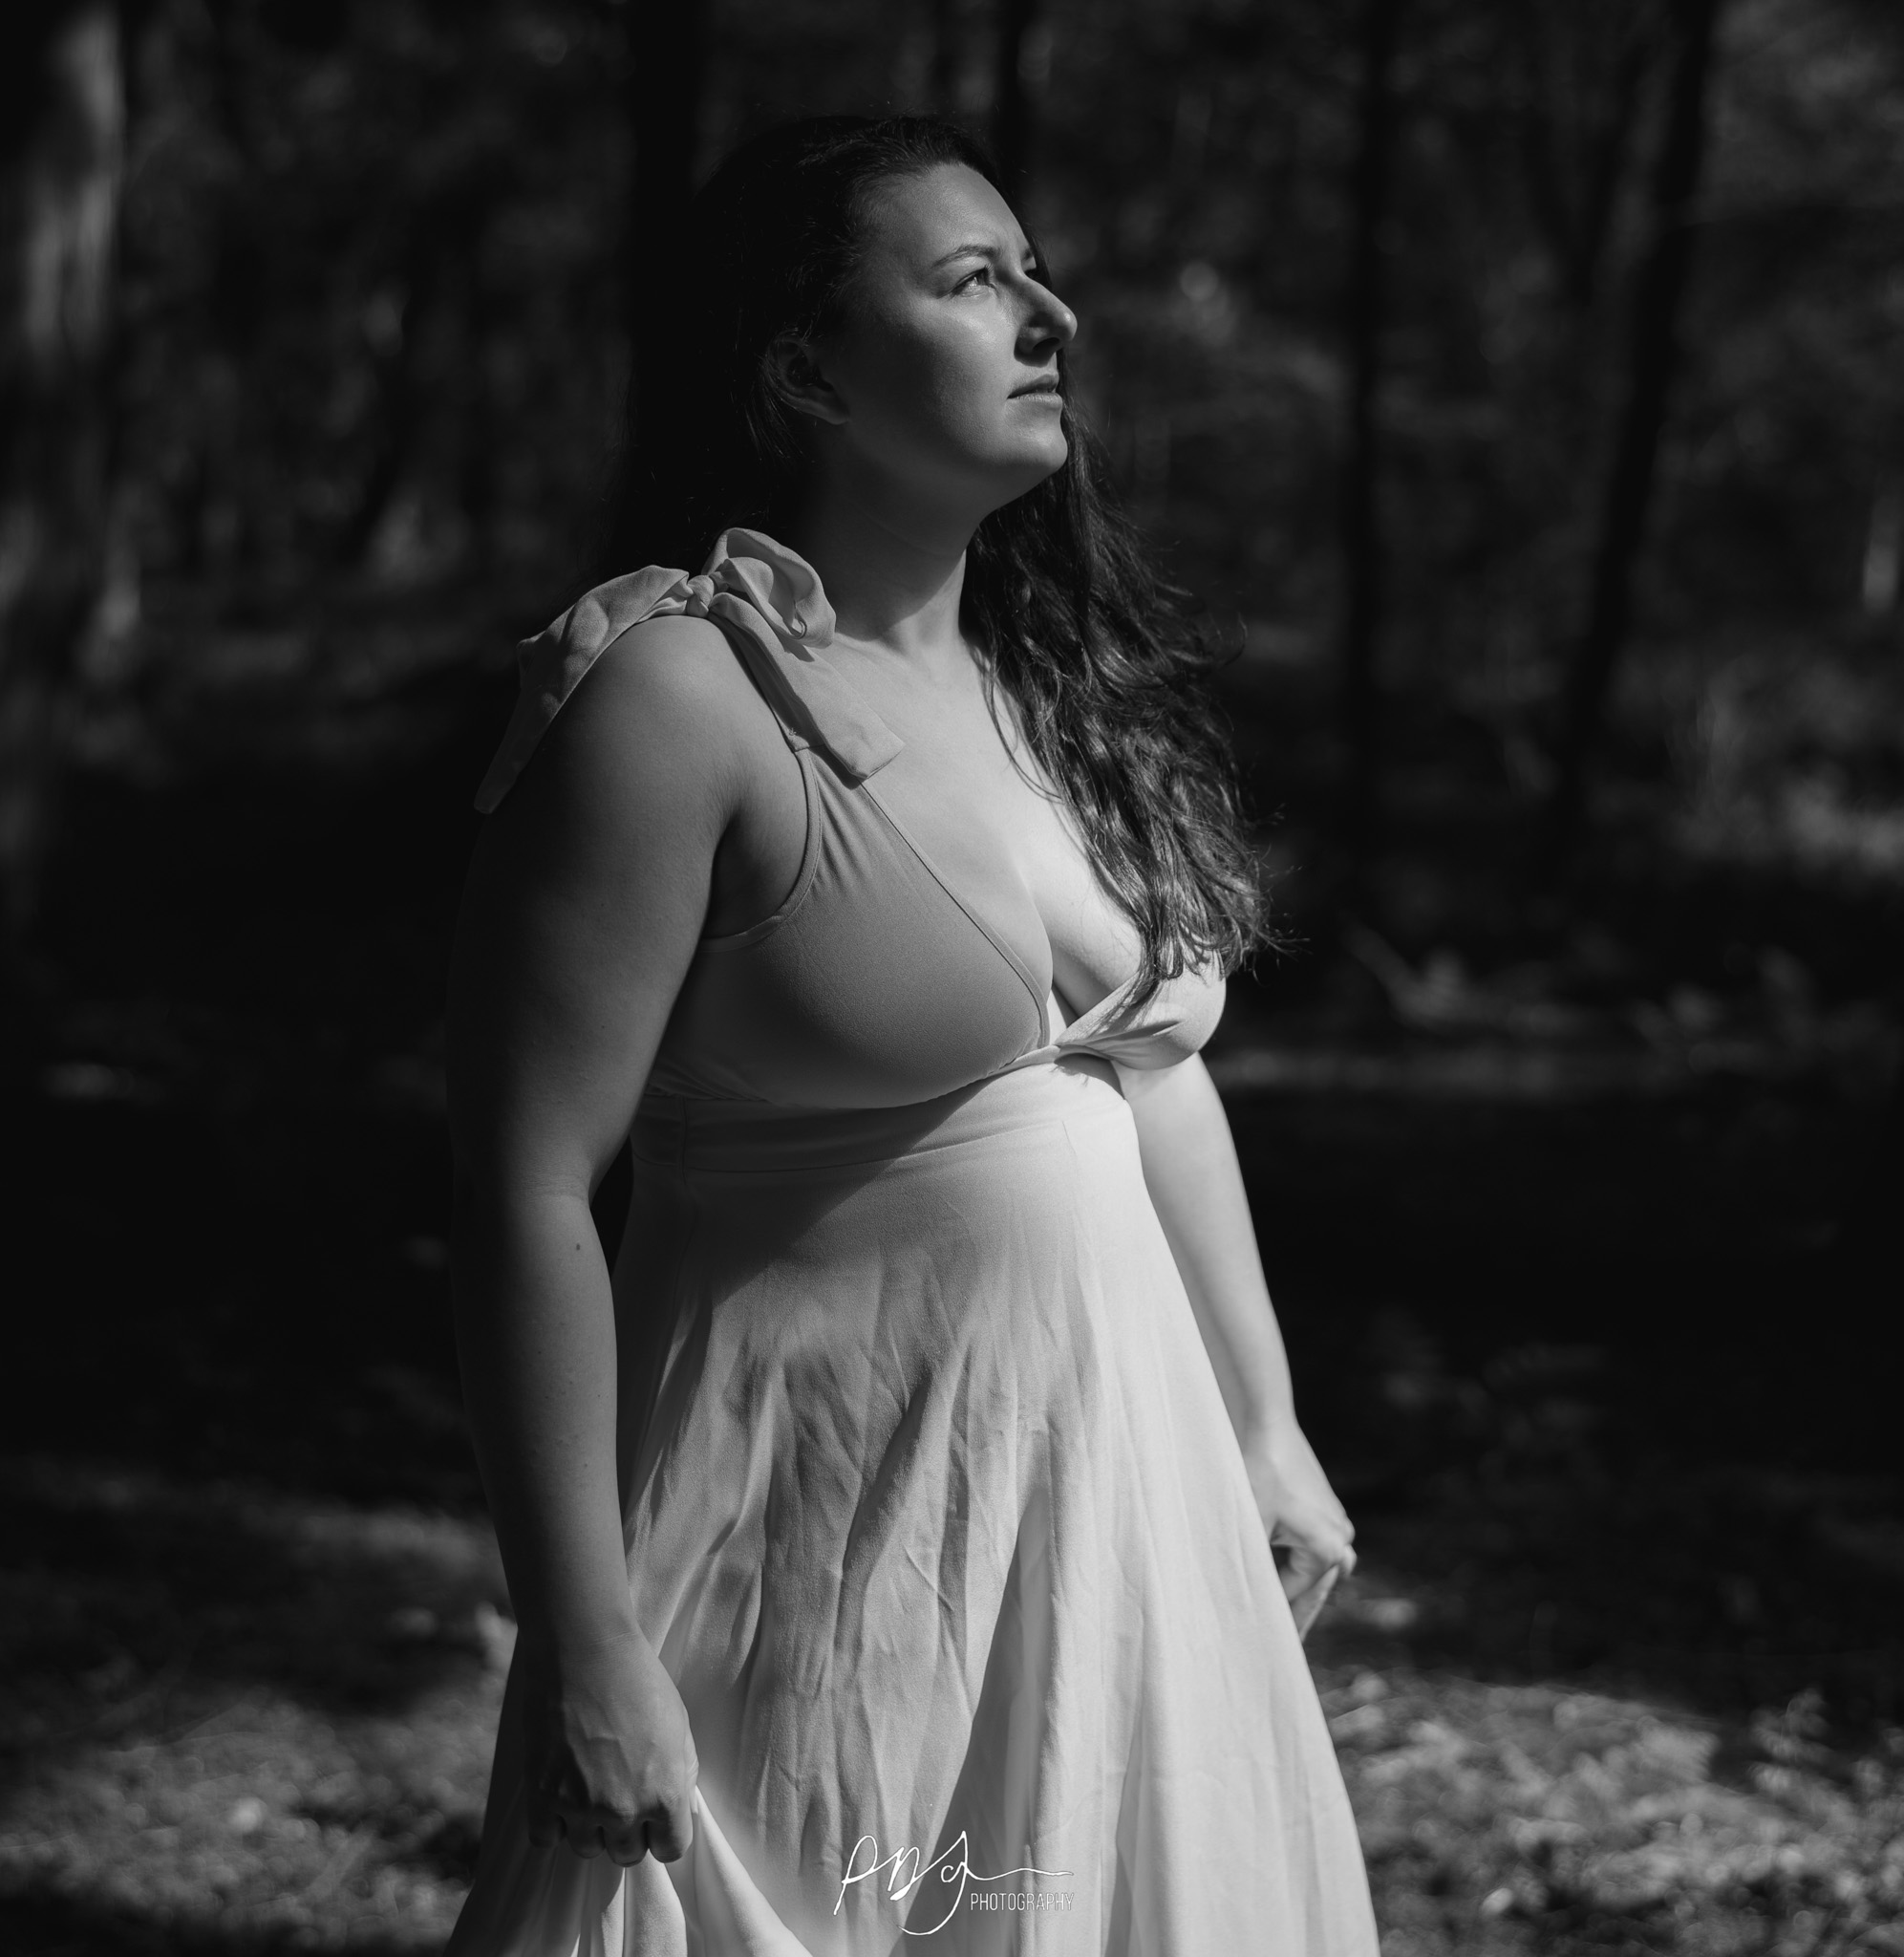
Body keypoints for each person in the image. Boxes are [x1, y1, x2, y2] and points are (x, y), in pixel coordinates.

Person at [443, 116, 1378, 1957]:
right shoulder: (677, 694)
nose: (1054, 315)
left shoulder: (1048, 698)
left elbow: (1148, 1076)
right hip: (815, 1552)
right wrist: (580, 1633)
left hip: (1118, 1525)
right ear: (805, 369)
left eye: (1035, 270)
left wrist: (1264, 1422)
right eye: (973, 281)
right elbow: (521, 1184)